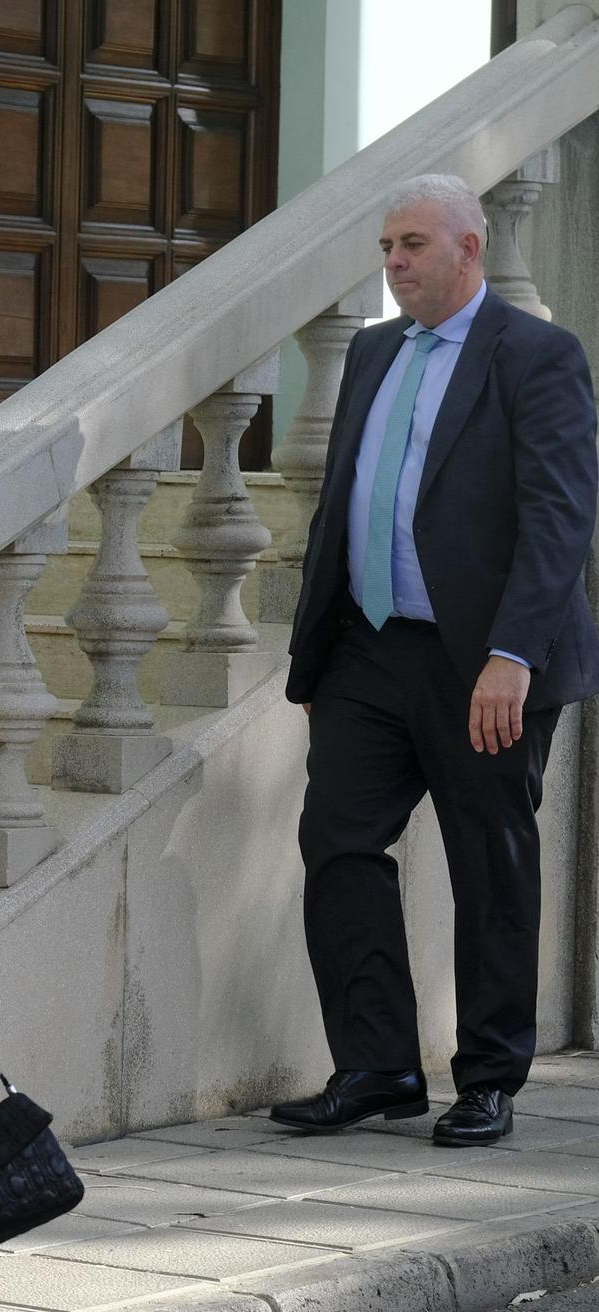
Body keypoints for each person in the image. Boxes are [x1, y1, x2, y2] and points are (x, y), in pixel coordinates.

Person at [274, 174, 599, 1147]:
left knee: (487, 862)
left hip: (482, 657)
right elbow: (347, 500)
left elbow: (556, 515)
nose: (392, 263)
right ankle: (374, 1063)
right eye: (384, 246)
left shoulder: (534, 355)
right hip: (367, 646)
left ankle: (489, 1074)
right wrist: (316, 644)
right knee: (336, 840)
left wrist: (511, 655)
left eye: (410, 243)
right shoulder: (372, 352)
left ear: (468, 246)